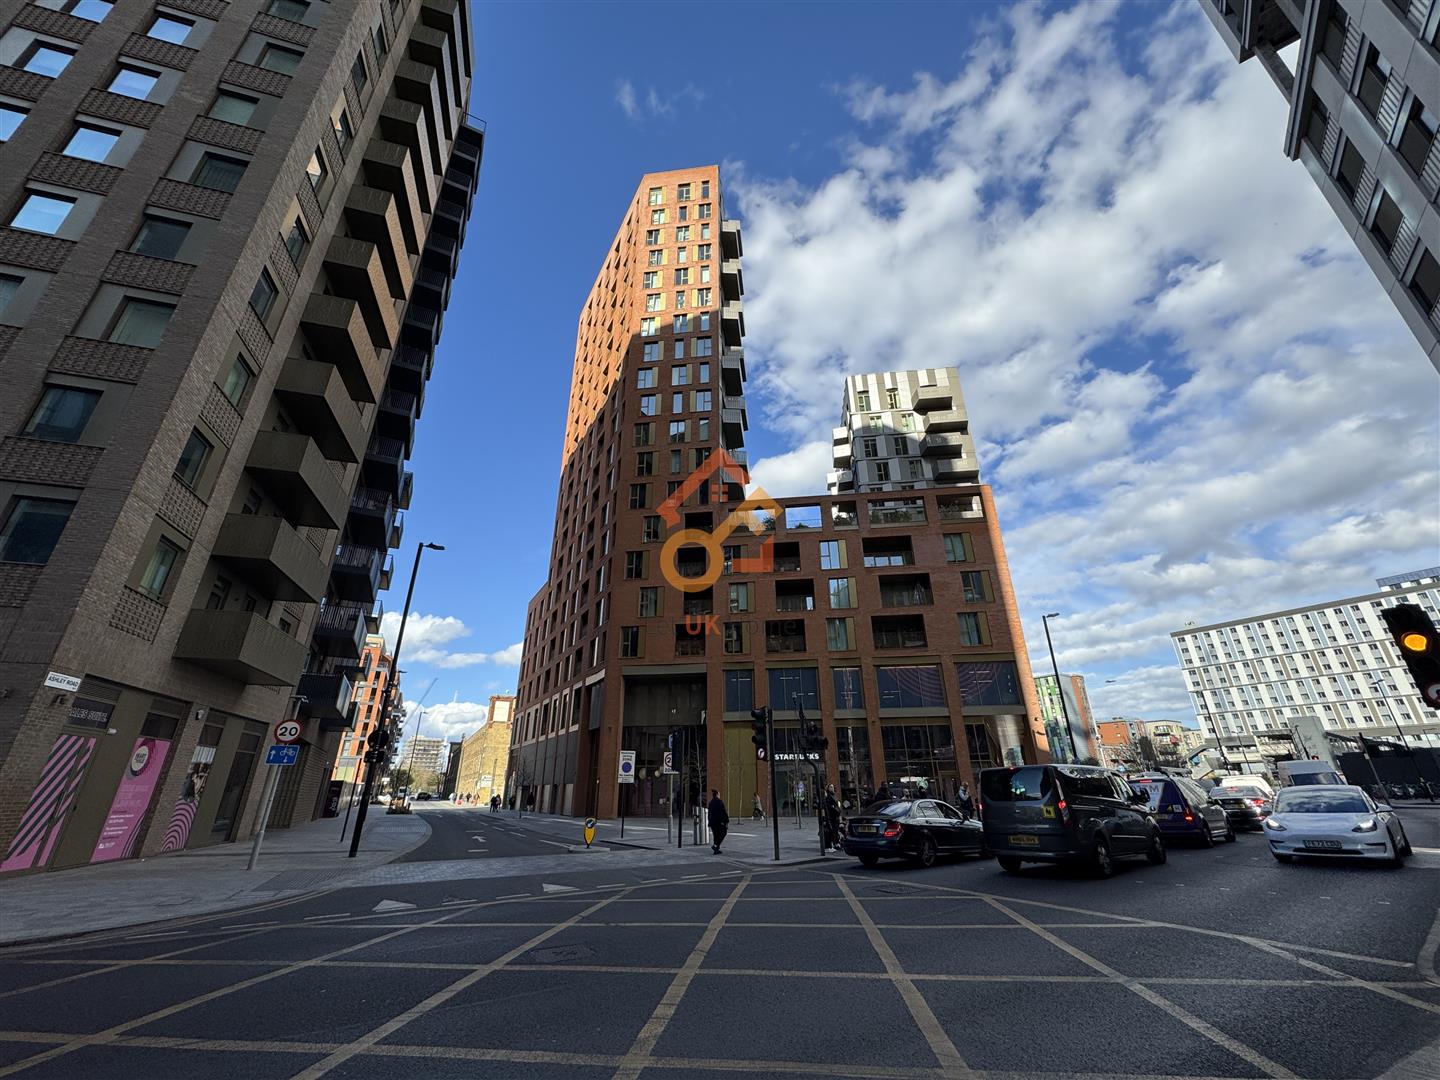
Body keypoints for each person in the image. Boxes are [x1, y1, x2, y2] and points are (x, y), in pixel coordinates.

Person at [707, 789, 729, 854]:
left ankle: (716, 849)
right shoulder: (719, 802)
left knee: (715, 835)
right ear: (717, 795)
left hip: (713, 822)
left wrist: (709, 821)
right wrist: (726, 821)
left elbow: (709, 813)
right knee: (723, 833)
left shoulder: (711, 802)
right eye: (719, 794)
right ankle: (715, 845)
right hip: (719, 822)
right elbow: (723, 812)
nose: (719, 796)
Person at [824, 785, 842, 851]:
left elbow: (836, 804)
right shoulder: (828, 796)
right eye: (830, 787)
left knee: (835, 831)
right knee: (831, 831)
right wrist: (836, 809)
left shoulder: (834, 795)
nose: (832, 788)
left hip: (836, 816)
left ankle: (835, 843)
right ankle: (831, 845)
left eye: (833, 787)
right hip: (831, 816)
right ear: (828, 788)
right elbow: (829, 806)